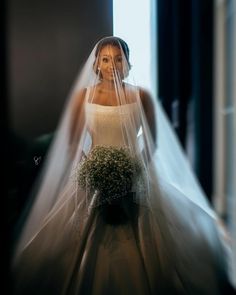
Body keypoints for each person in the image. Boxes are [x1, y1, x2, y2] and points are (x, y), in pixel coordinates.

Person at [11, 36, 233, 294]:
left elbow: (151, 144)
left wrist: (131, 173)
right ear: (97, 64)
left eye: (118, 59)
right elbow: (73, 146)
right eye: (105, 59)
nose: (112, 65)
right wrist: (94, 174)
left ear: (127, 61)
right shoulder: (82, 97)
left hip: (135, 177)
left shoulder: (142, 96)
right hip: (90, 178)